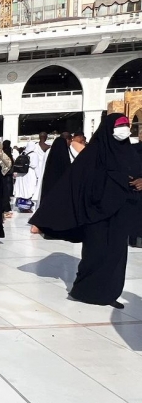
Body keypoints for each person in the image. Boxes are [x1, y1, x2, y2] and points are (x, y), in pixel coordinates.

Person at [30, 114, 141, 308]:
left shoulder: (128, 152)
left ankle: (109, 293)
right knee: (96, 253)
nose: (125, 129)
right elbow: (79, 182)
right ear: (108, 128)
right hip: (96, 212)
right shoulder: (94, 152)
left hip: (120, 212)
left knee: (116, 255)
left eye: (126, 125)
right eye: (120, 125)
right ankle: (85, 291)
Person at [13, 141, 39, 211]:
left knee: (22, 189)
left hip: (21, 173)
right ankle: (27, 207)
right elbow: (34, 165)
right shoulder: (34, 154)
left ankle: (21, 206)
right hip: (29, 174)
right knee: (29, 190)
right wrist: (38, 176)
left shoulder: (22, 153)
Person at [1, 139, 15, 217]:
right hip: (8, 172)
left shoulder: (2, 152)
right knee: (8, 186)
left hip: (3, 173)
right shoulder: (9, 151)